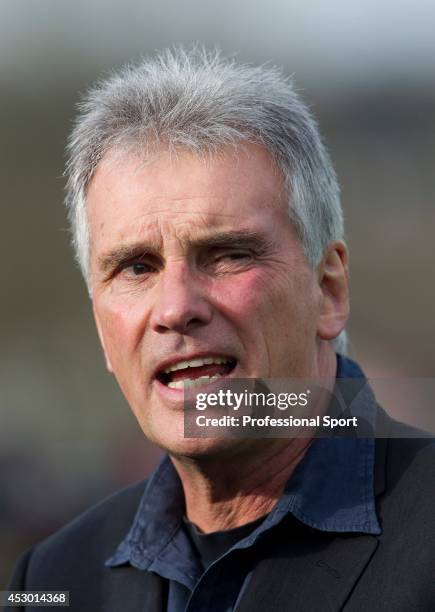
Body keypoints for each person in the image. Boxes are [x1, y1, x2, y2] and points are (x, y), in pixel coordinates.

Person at [7, 47, 435, 611]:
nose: (176, 307)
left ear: (328, 291)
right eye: (136, 267)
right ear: (101, 326)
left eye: (228, 254)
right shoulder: (53, 576)